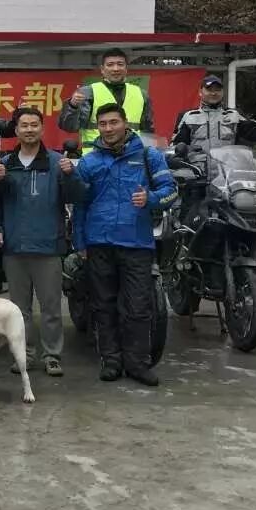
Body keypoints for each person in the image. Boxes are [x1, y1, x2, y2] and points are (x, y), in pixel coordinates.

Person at [73, 103, 177, 387]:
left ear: (125, 123)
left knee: (138, 307)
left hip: (137, 243)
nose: (108, 128)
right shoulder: (89, 162)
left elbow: (171, 192)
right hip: (99, 243)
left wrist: (151, 199)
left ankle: (137, 363)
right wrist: (80, 242)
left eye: (113, 122)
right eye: (103, 124)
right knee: (103, 305)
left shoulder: (149, 156)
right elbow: (80, 205)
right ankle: (111, 361)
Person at [0, 107, 84, 378]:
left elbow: (77, 197)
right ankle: (25, 354)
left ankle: (52, 355)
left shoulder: (58, 162)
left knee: (51, 308)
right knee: (19, 310)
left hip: (47, 247)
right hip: (14, 247)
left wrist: (71, 175)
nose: (29, 130)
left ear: (42, 129)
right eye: (24, 125)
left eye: (34, 125)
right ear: (16, 130)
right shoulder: (4, 164)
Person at [171, 74, 256, 166]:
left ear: (222, 92)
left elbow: (253, 132)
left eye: (218, 89)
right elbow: (177, 145)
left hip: (228, 173)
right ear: (200, 92)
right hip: (198, 173)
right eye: (209, 89)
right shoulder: (188, 116)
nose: (214, 93)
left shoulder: (233, 115)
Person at [58, 48, 155, 153]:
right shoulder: (89, 92)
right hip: (96, 156)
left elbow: (147, 131)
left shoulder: (141, 94)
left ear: (126, 68)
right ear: (102, 69)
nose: (115, 69)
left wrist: (149, 154)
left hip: (131, 155)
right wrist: (73, 106)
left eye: (120, 64)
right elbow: (70, 127)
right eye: (110, 65)